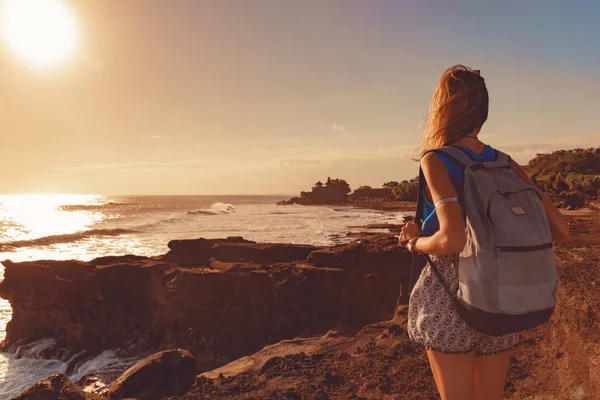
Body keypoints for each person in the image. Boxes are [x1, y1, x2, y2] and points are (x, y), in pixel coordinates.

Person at [397, 65, 571, 400]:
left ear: (442, 109)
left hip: (449, 297)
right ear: (484, 112)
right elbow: (561, 228)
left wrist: (414, 241)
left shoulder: (436, 160)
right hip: (504, 295)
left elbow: (452, 240)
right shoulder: (505, 162)